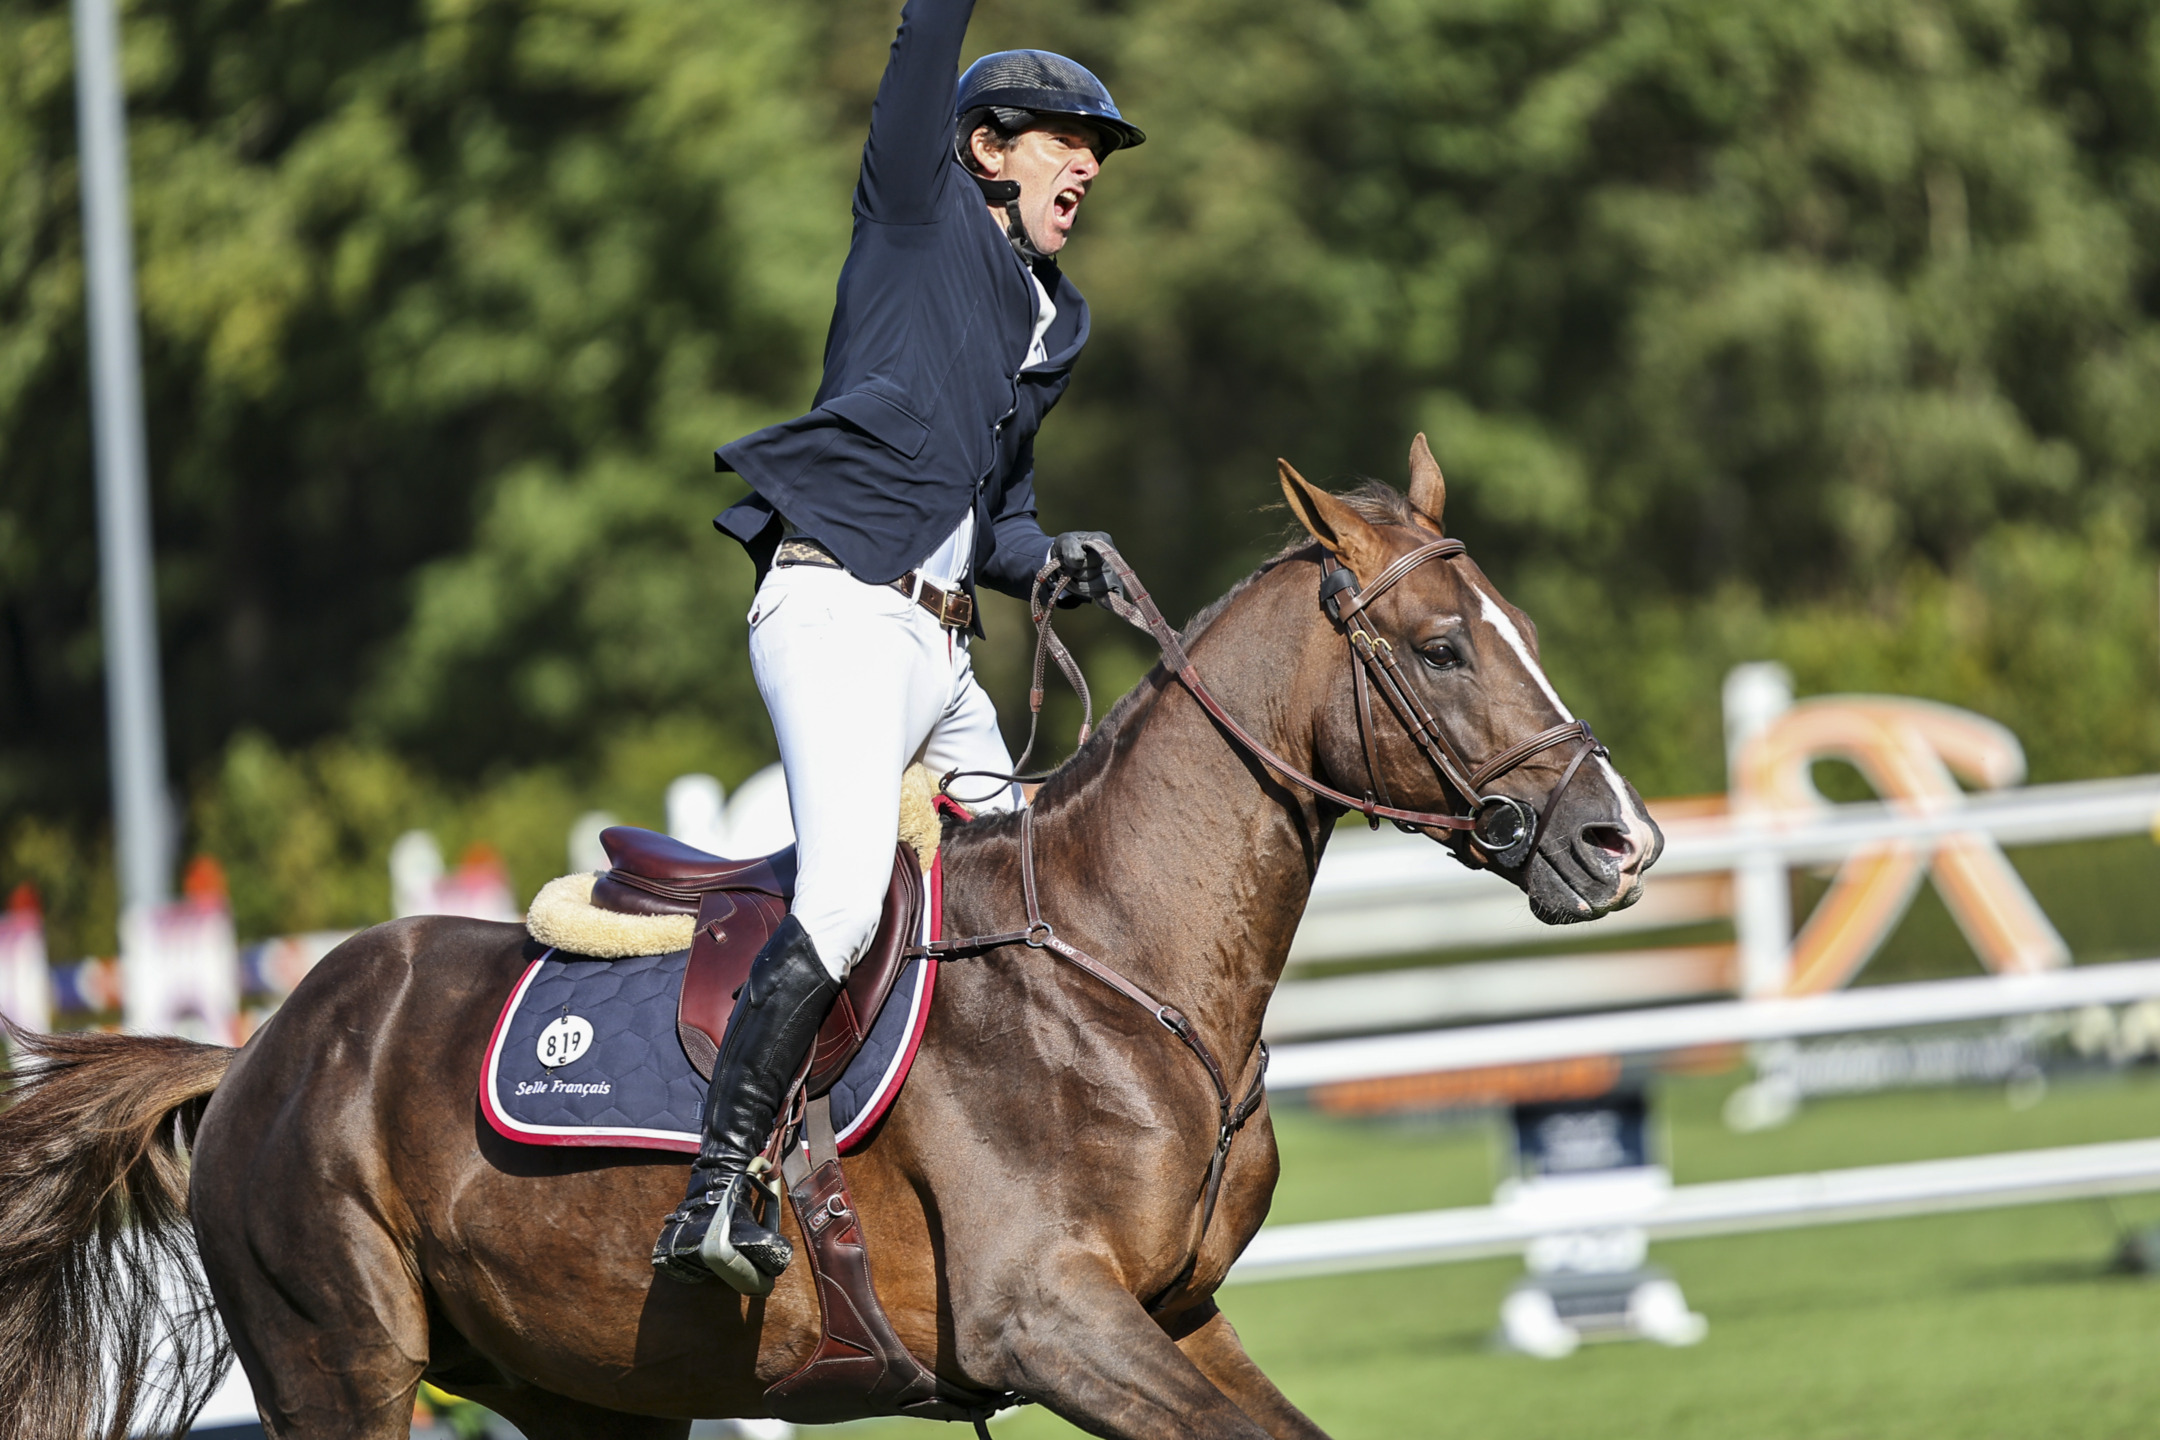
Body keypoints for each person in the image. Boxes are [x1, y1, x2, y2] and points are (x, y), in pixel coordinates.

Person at [651, 0, 1141, 1293]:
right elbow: (925, 42)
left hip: (935, 652)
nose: (1089, 165)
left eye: (1099, 148)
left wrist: (1061, 561)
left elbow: (1001, 521)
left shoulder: (1052, 320)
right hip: (835, 612)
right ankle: (713, 1195)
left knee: (1037, 879)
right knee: (845, 895)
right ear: (985, 145)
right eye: (1067, 140)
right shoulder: (916, 208)